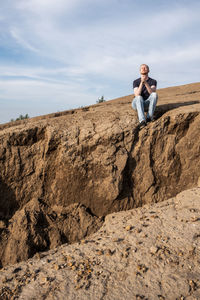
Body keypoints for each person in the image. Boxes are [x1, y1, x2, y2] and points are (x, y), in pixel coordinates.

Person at [132, 64, 158, 129]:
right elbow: (137, 94)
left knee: (155, 94)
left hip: (146, 104)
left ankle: (149, 117)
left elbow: (152, 92)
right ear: (140, 71)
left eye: (145, 68)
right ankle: (142, 121)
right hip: (137, 104)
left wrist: (145, 83)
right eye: (142, 68)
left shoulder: (153, 81)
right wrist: (141, 82)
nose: (143, 68)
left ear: (148, 70)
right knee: (139, 97)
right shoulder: (135, 82)